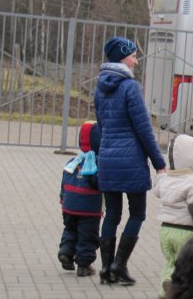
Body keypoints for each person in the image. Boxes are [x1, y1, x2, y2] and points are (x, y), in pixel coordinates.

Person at [95, 36, 167, 285]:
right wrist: (159, 162)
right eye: (133, 56)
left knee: (112, 213)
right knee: (137, 213)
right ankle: (120, 265)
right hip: (131, 161)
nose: (136, 61)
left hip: (107, 158)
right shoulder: (130, 87)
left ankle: (105, 269)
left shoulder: (100, 86)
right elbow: (144, 129)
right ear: (123, 57)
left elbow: (101, 127)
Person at [153, 134, 193, 299]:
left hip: (164, 231)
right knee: (185, 263)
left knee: (171, 261)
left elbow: (157, 190)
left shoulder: (166, 179)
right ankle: (182, 290)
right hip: (183, 231)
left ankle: (165, 286)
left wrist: (160, 174)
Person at [58, 121, 103, 277]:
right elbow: (98, 183)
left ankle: (66, 253)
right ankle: (84, 265)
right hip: (89, 208)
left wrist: (62, 199)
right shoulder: (97, 163)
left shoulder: (73, 161)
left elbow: (64, 182)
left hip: (69, 206)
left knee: (70, 229)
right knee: (87, 236)